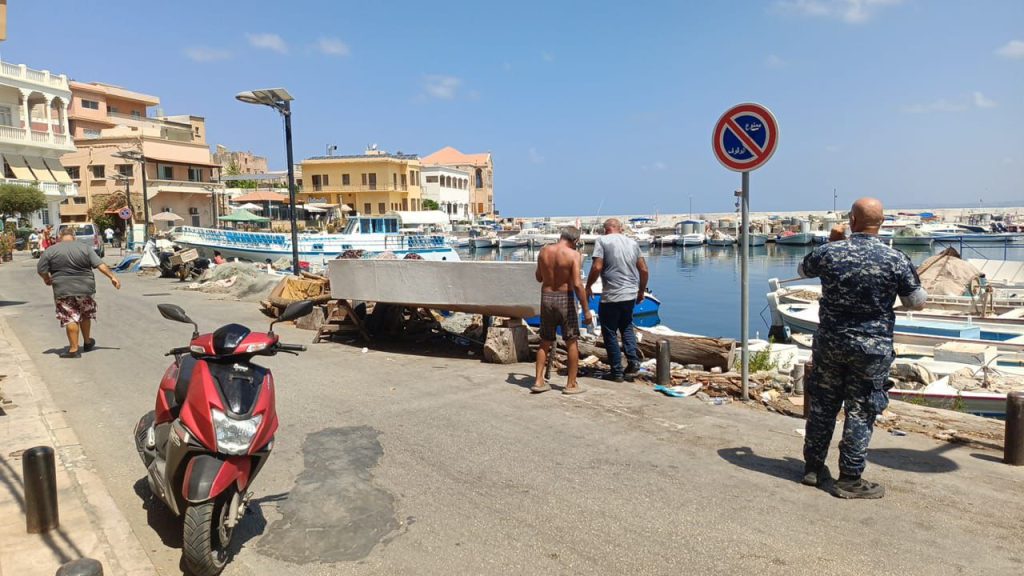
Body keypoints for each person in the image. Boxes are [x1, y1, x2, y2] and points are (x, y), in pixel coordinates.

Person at [798, 198, 927, 499]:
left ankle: (813, 468)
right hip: (871, 348)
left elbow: (802, 270)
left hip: (830, 343)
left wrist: (831, 243)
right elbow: (916, 302)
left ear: (852, 221)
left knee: (823, 405)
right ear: (881, 222)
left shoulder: (829, 252)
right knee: (861, 408)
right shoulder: (895, 259)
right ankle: (850, 478)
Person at [37, 227, 121, 358]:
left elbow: (41, 268)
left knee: (70, 317)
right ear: (74, 237)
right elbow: (100, 264)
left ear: (59, 237)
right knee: (85, 314)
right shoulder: (85, 248)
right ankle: (87, 342)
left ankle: (73, 349)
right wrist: (112, 277)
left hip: (63, 289)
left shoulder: (51, 250)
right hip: (85, 288)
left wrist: (46, 279)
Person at [585, 218, 648, 382]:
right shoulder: (632, 243)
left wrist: (588, 285)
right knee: (626, 326)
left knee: (610, 332)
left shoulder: (602, 241)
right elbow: (644, 270)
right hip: (630, 294)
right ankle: (633, 361)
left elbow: (597, 266)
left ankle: (617, 371)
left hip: (611, 295)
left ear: (605, 229)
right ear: (620, 228)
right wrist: (641, 291)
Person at [533, 226, 591, 394]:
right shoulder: (574, 255)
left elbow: (539, 277)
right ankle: (571, 384)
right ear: (576, 240)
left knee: (545, 340)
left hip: (547, 298)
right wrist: (586, 310)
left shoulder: (544, 251)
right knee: (571, 341)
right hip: (565, 298)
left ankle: (538, 381)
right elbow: (578, 284)